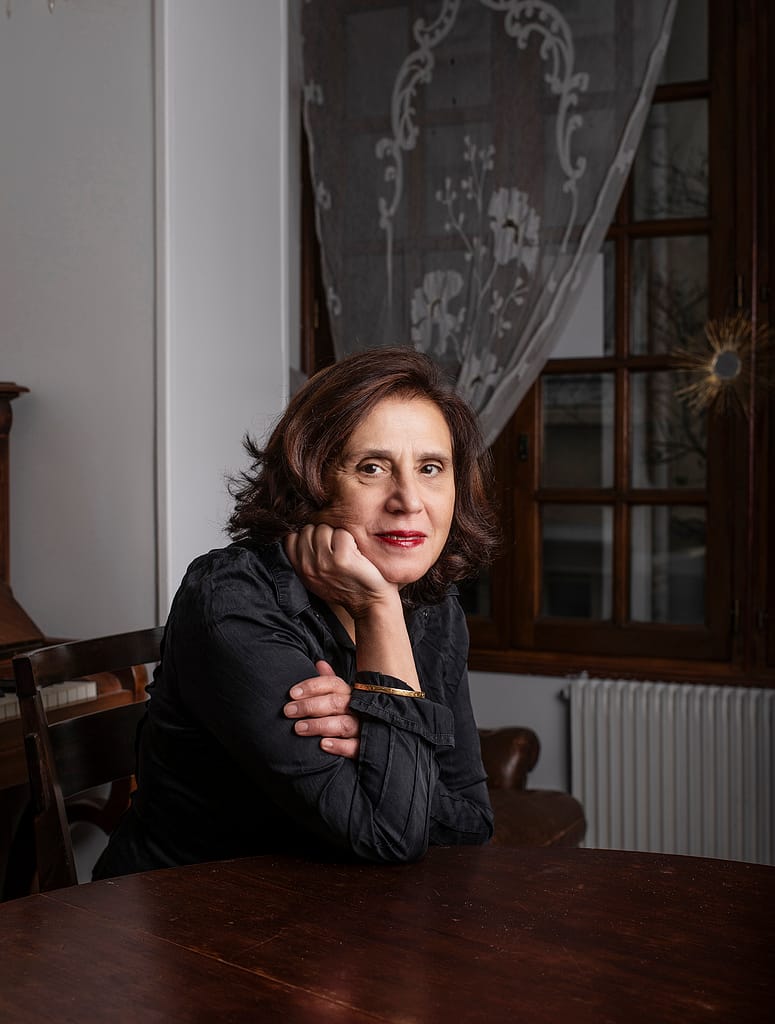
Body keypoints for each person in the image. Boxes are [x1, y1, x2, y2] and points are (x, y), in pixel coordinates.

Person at [94, 347, 499, 878]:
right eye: (372, 468)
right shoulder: (230, 601)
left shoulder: (434, 604)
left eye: (430, 468)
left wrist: (372, 728)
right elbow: (389, 835)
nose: (408, 500)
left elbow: (472, 825)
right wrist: (378, 608)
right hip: (186, 910)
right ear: (311, 478)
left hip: (327, 907)